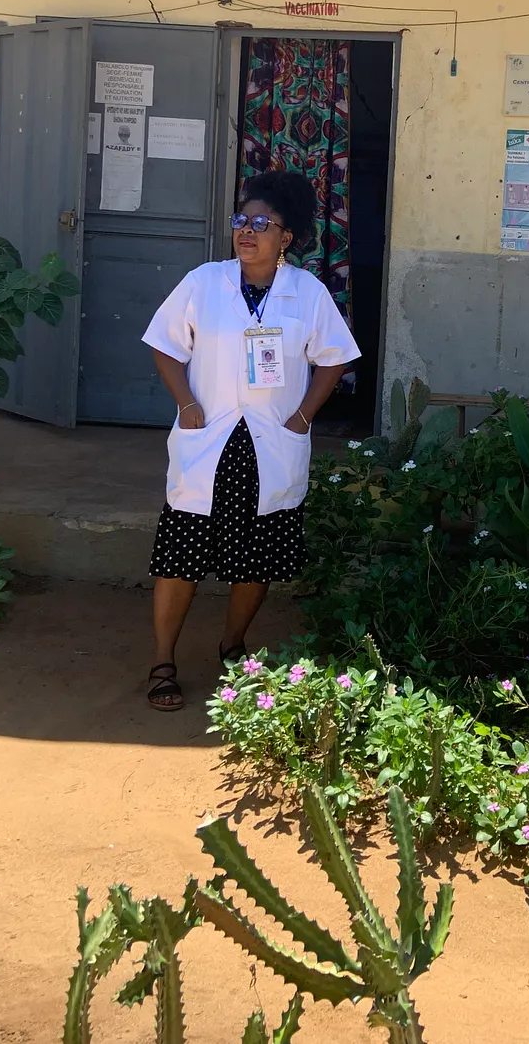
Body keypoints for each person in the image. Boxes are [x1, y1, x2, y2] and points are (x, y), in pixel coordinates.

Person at [141, 170, 359, 711]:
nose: (248, 231)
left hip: (270, 442)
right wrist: (186, 405)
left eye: (262, 223)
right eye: (242, 220)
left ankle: (233, 644)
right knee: (180, 555)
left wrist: (304, 417)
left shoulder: (305, 292)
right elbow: (164, 345)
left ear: (286, 237)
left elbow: (336, 358)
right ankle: (164, 660)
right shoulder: (203, 282)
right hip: (208, 437)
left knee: (256, 558)